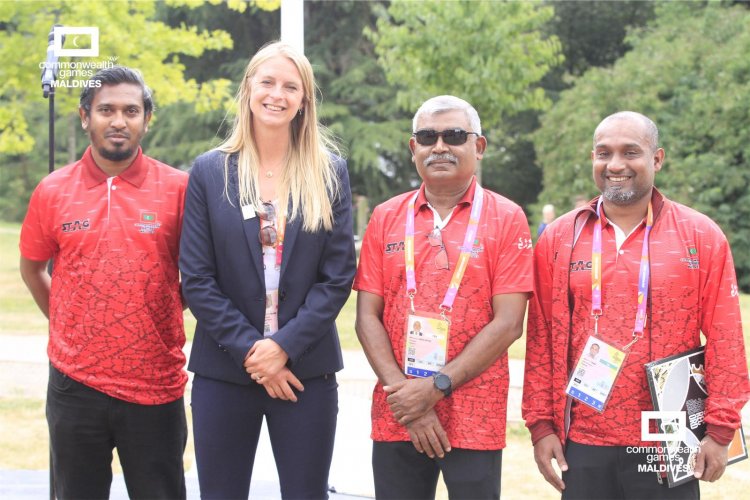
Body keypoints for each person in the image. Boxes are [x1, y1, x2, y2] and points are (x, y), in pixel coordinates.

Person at [523, 111, 750, 499]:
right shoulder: (561, 237)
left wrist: (720, 429)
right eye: (603, 153)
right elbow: (541, 337)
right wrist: (541, 426)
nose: (615, 165)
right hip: (584, 437)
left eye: (630, 152)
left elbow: (726, 336)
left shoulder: (700, 235)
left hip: (669, 437)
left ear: (656, 159)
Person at [179, 41, 356, 499]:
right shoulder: (209, 171)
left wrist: (284, 348)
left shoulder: (329, 172)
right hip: (223, 371)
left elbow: (336, 279)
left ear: (304, 100)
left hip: (305, 373)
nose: (277, 94)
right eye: (268, 82)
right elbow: (197, 279)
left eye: (290, 86)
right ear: (248, 89)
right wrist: (255, 353)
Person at [19, 66, 188, 498]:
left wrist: (161, 310)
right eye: (106, 110)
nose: (118, 120)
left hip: (155, 382)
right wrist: (68, 319)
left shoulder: (179, 189)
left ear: (147, 119)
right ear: (84, 117)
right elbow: (32, 268)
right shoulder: (53, 190)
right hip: (75, 383)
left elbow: (203, 275)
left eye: (131, 110)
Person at [354, 95, 533, 499]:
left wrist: (433, 388)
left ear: (479, 146)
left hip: (474, 413)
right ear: (412, 147)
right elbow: (367, 317)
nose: (439, 146)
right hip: (396, 410)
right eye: (427, 136)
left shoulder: (507, 218)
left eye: (454, 136)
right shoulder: (386, 215)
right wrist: (407, 398)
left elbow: (509, 323)